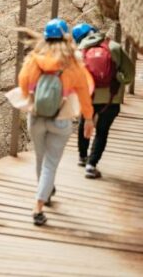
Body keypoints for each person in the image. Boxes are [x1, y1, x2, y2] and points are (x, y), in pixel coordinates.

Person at [18, 18, 94, 226]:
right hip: (61, 119)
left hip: (36, 116)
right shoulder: (72, 62)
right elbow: (84, 93)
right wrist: (88, 118)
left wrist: (37, 98)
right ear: (65, 37)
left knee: (41, 160)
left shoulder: (36, 58)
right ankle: (38, 206)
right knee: (50, 164)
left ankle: (45, 192)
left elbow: (23, 83)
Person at [73, 23, 135, 179]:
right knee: (102, 130)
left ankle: (82, 156)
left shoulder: (79, 52)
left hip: (88, 96)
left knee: (84, 123)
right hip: (111, 98)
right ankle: (91, 165)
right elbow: (129, 74)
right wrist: (118, 78)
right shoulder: (113, 47)